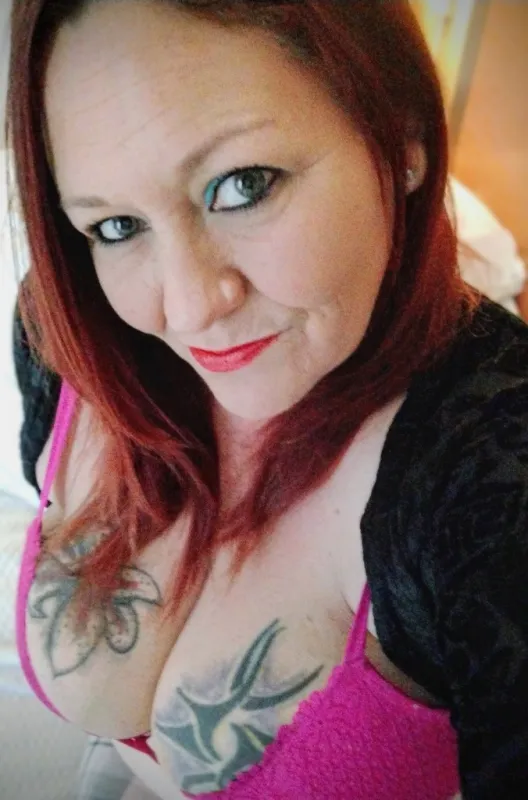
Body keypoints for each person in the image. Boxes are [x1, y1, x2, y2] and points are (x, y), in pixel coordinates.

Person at [6, 0, 528, 798]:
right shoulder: (64, 326)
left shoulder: (494, 475)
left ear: (403, 138)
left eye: (243, 185)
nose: (187, 309)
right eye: (115, 227)